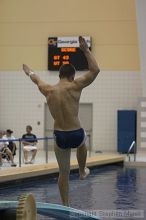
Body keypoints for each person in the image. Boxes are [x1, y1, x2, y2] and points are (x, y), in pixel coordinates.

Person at [23, 36, 100, 206]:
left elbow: (36, 79)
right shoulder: (75, 85)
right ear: (72, 76)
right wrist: (85, 50)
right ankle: (81, 171)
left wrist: (29, 71)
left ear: (59, 75)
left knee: (63, 173)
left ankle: (66, 205)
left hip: (59, 136)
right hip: (76, 133)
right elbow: (95, 70)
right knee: (82, 140)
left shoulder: (48, 89)